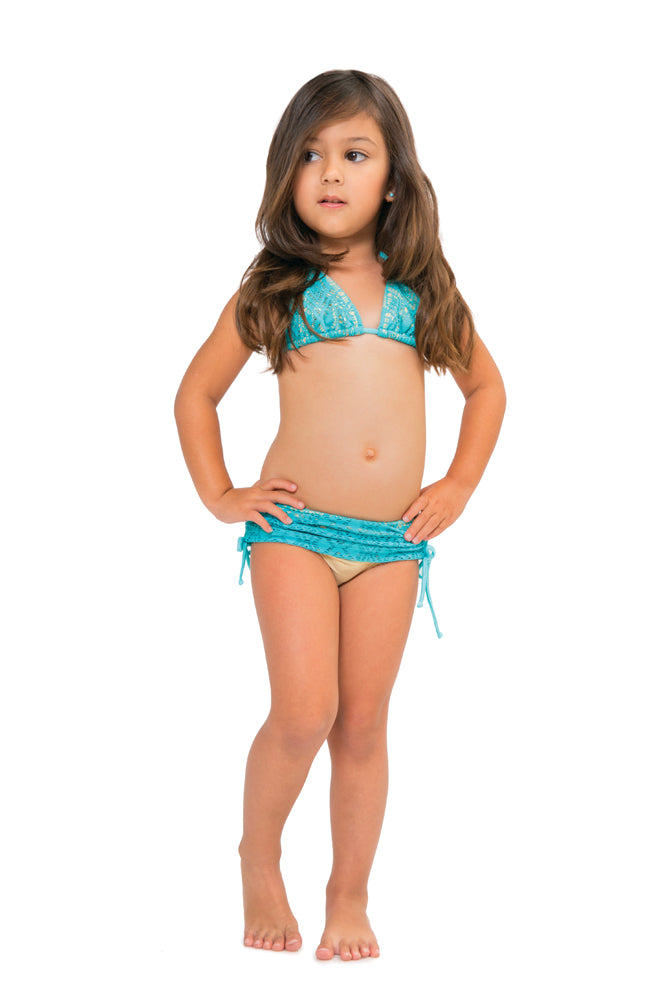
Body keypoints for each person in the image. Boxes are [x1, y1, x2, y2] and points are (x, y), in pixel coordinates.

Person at [174, 69, 506, 962]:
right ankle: (258, 855)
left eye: (355, 154)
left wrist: (458, 484)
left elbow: (487, 388)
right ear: (286, 172)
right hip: (295, 530)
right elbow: (195, 395)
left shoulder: (422, 288)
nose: (330, 171)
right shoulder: (276, 287)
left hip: (393, 542)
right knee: (304, 711)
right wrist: (221, 494)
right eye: (310, 155)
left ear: (393, 178)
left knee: (362, 722)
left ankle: (348, 895)